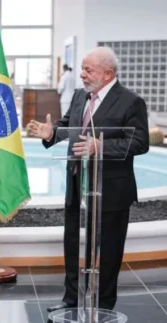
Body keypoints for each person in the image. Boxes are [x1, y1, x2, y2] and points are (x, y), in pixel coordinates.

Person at [28, 47, 149, 311]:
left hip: (111, 192)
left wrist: (100, 146)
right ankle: (70, 300)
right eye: (82, 69)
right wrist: (52, 133)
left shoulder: (131, 101)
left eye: (88, 69)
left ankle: (103, 306)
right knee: (73, 245)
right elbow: (69, 125)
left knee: (108, 251)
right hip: (77, 186)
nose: (81, 74)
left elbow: (140, 142)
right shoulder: (80, 96)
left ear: (108, 74)